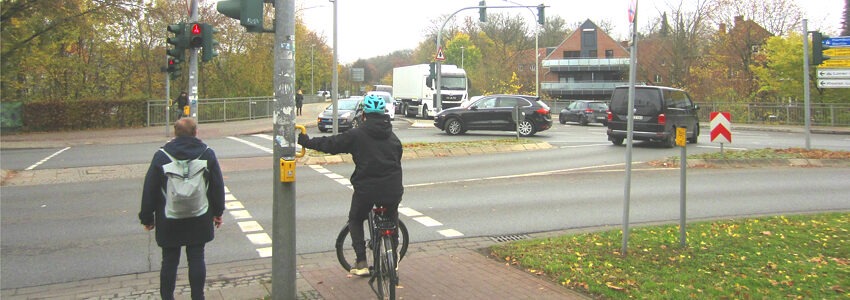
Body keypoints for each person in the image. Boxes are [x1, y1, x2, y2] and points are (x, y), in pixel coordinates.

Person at [297, 94, 403, 276]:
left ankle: (361, 261)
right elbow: (397, 158)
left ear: (363, 115)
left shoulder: (357, 135)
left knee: (355, 219)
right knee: (391, 217)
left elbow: (331, 144)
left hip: (366, 190)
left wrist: (306, 141)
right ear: (384, 115)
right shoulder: (393, 138)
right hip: (392, 188)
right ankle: (392, 258)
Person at [139, 118, 225, 300]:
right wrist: (218, 212)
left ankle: (167, 297)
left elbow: (150, 188)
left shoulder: (161, 156)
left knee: (169, 260)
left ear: (175, 133)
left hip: (169, 218)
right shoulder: (207, 154)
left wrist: (147, 218)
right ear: (195, 133)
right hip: (199, 215)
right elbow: (217, 185)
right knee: (196, 257)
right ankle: (197, 297)